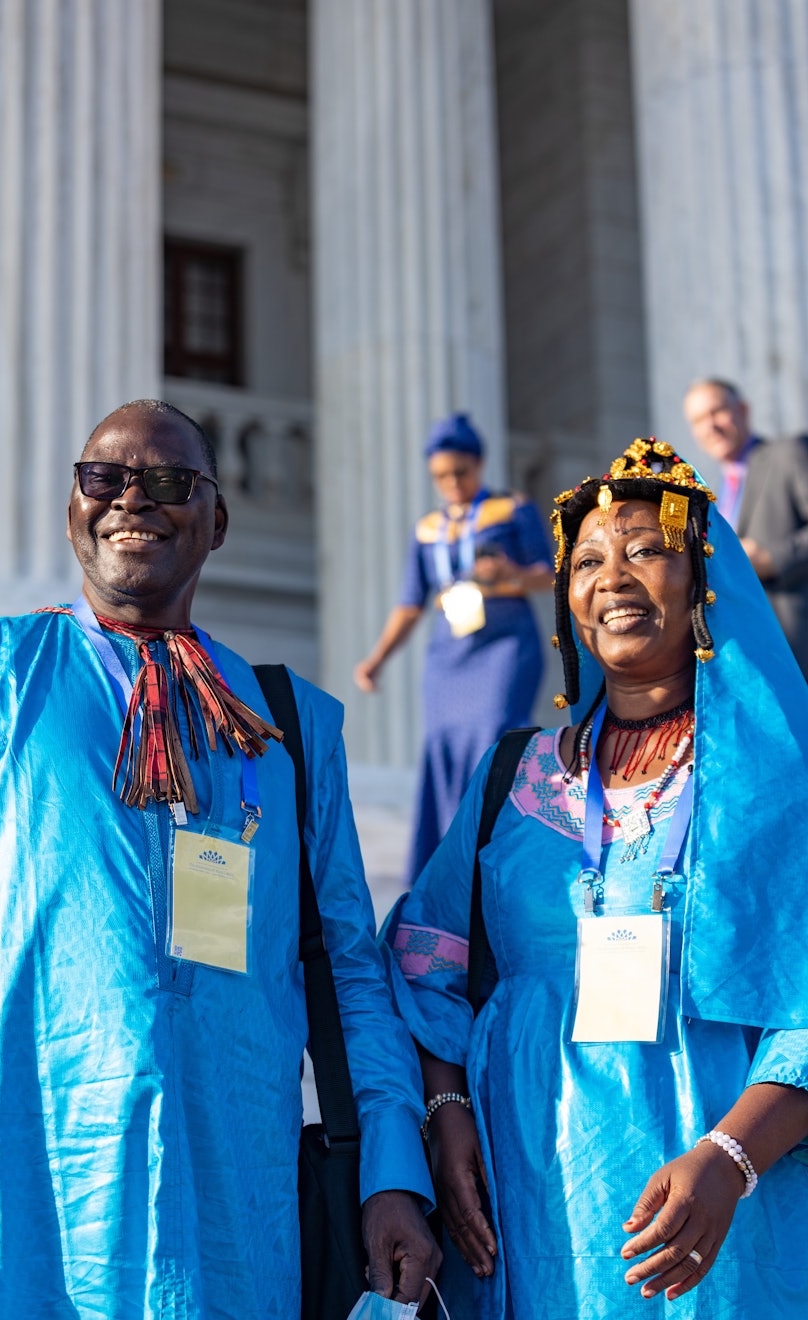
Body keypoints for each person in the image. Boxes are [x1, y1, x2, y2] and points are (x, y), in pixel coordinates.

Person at [0, 399, 440, 1318]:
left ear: (216, 521)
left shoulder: (289, 725)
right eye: (104, 478)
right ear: (73, 504)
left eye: (168, 482)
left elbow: (352, 974)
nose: (133, 498)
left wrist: (392, 1172)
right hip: (23, 1210)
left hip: (234, 1217)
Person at [381, 436, 808, 1317]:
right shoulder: (514, 775)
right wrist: (446, 1105)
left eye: (648, 550)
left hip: (718, 1211)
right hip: (524, 1201)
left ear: (704, 580)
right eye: (588, 561)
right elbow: (425, 952)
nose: (613, 576)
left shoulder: (776, 777)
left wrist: (730, 1160)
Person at [354, 412, 553, 884]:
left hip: (504, 642)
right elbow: (410, 603)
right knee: (442, 747)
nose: (452, 483)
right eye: (441, 476)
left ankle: (497, 848)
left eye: (460, 472)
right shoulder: (426, 530)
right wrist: (377, 659)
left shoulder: (511, 510)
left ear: (480, 465)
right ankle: (447, 862)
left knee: (494, 735)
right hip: (449, 652)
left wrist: (511, 574)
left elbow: (549, 574)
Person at [683, 377, 808, 675]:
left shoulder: (787, 453)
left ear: (743, 410)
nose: (710, 426)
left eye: (717, 412)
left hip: (797, 639)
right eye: (699, 420)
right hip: (751, 655)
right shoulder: (712, 495)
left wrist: (772, 559)